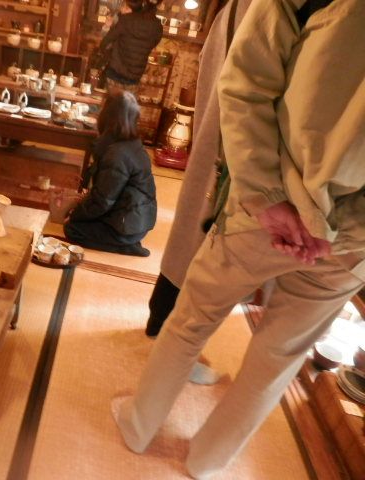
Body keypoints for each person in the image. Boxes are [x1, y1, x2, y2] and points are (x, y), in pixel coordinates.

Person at [111, 0, 365, 478]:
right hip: (353, 246)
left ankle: (138, 425)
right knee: (279, 357)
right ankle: (208, 461)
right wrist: (342, 231)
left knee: (191, 320)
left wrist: (267, 197)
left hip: (272, 209)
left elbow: (245, 83)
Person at [146, 0, 253, 338]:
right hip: (233, 147)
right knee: (206, 247)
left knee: (189, 235)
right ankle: (173, 334)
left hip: (216, 139)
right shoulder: (260, 10)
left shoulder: (231, 10)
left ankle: (162, 322)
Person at [64, 91, 156, 257]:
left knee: (72, 229)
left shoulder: (116, 155)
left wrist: (75, 215)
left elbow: (102, 201)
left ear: (108, 117)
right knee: (80, 215)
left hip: (125, 226)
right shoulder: (133, 144)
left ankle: (126, 246)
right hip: (136, 221)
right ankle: (125, 241)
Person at [96, 0, 163, 93]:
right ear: (159, 5)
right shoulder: (157, 26)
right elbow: (153, 44)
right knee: (127, 102)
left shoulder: (126, 19)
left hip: (116, 72)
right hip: (135, 76)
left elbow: (105, 43)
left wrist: (110, 54)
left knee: (111, 101)